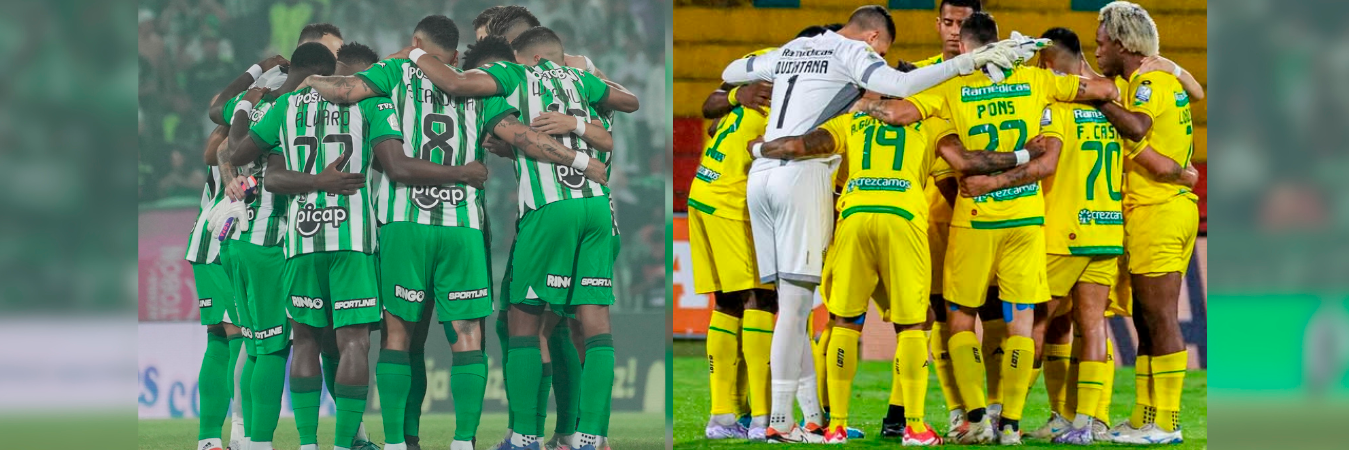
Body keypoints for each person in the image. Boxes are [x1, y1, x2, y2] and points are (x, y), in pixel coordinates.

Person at [717, 5, 1035, 443]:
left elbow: (747, 83)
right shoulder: (922, 114)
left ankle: (828, 422)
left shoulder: (829, 90)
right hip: (895, 215)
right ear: (873, 42)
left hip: (809, 197)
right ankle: (909, 426)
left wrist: (760, 146)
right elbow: (960, 156)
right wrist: (1020, 151)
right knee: (909, 323)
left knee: (834, 318)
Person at [298, 18, 613, 450]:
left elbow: (344, 91)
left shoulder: (394, 74)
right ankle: (464, 442)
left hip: (403, 221)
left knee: (398, 336)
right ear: (452, 53)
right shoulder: (479, 89)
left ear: (415, 44)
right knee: (468, 335)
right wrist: (580, 162)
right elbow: (521, 136)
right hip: (461, 224)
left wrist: (310, 77)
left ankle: (394, 443)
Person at [850, 11, 1119, 444]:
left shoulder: (952, 87)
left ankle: (975, 418)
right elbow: (1104, 88)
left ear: (965, 48)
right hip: (1027, 220)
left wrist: (860, 103)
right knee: (1021, 321)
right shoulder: (1038, 82)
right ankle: (1010, 424)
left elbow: (900, 114)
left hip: (974, 218)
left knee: (958, 318)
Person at [226, 42, 385, 450]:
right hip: (352, 235)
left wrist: (248, 104)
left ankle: (307, 444)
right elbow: (388, 159)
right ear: (332, 70)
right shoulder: (364, 103)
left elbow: (238, 152)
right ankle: (346, 442)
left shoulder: (286, 106)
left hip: (302, 235)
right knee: (354, 342)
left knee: (307, 340)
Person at [1092, 1, 1199, 444]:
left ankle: (1167, 423)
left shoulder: (1147, 83)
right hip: (1163, 206)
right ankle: (1143, 416)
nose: (1097, 52)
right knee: (1145, 315)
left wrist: (1101, 101)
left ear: (1121, 42)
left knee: (1159, 316)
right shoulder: (1163, 76)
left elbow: (1137, 129)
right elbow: (1196, 93)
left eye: (1101, 44)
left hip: (1159, 208)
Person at [898, 0, 982, 438]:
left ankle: (997, 411)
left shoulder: (992, 74)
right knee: (939, 314)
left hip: (987, 214)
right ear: (937, 24)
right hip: (932, 215)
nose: (953, 31)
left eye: (962, 23)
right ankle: (958, 410)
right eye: (947, 22)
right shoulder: (917, 78)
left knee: (994, 313)